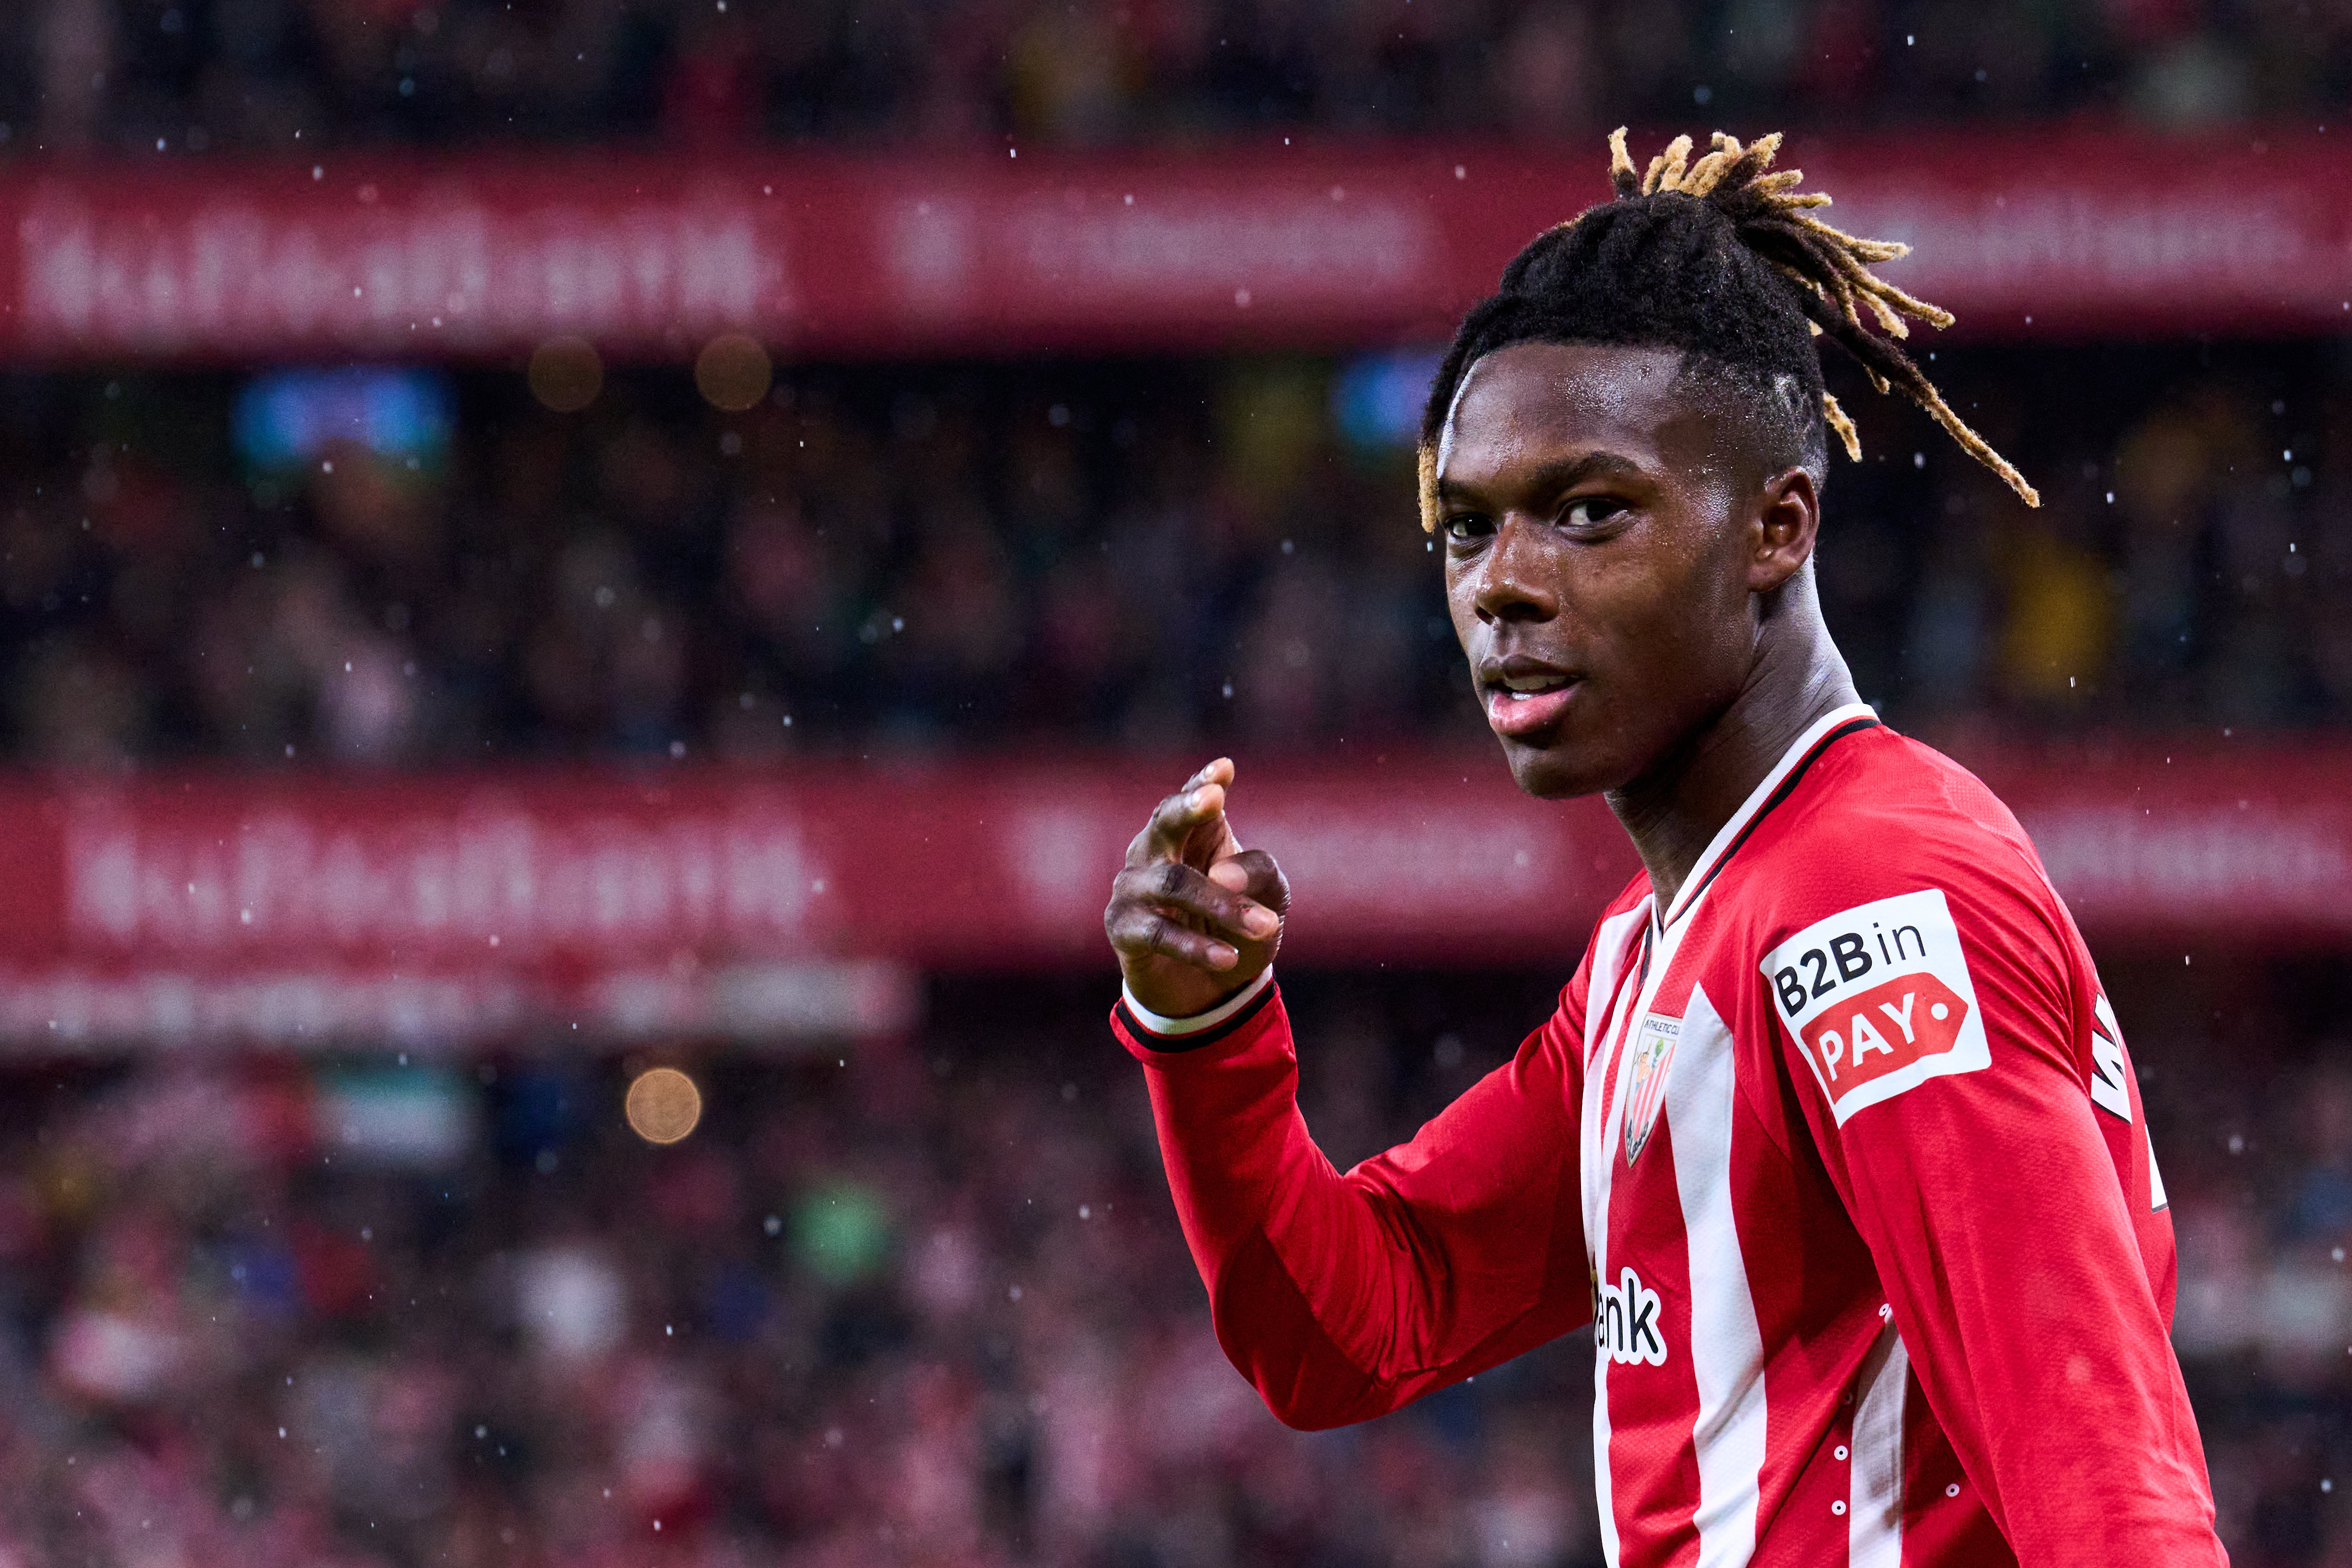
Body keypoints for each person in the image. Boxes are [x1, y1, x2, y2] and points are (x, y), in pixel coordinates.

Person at [1101, 130, 2225, 1565]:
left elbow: (2109, 1495)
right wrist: (1203, 1032)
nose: (1504, 582)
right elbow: (1356, 1327)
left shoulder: (1868, 901)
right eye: (1466, 528)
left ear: (1776, 526)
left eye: (1589, 513)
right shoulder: (1661, 946)